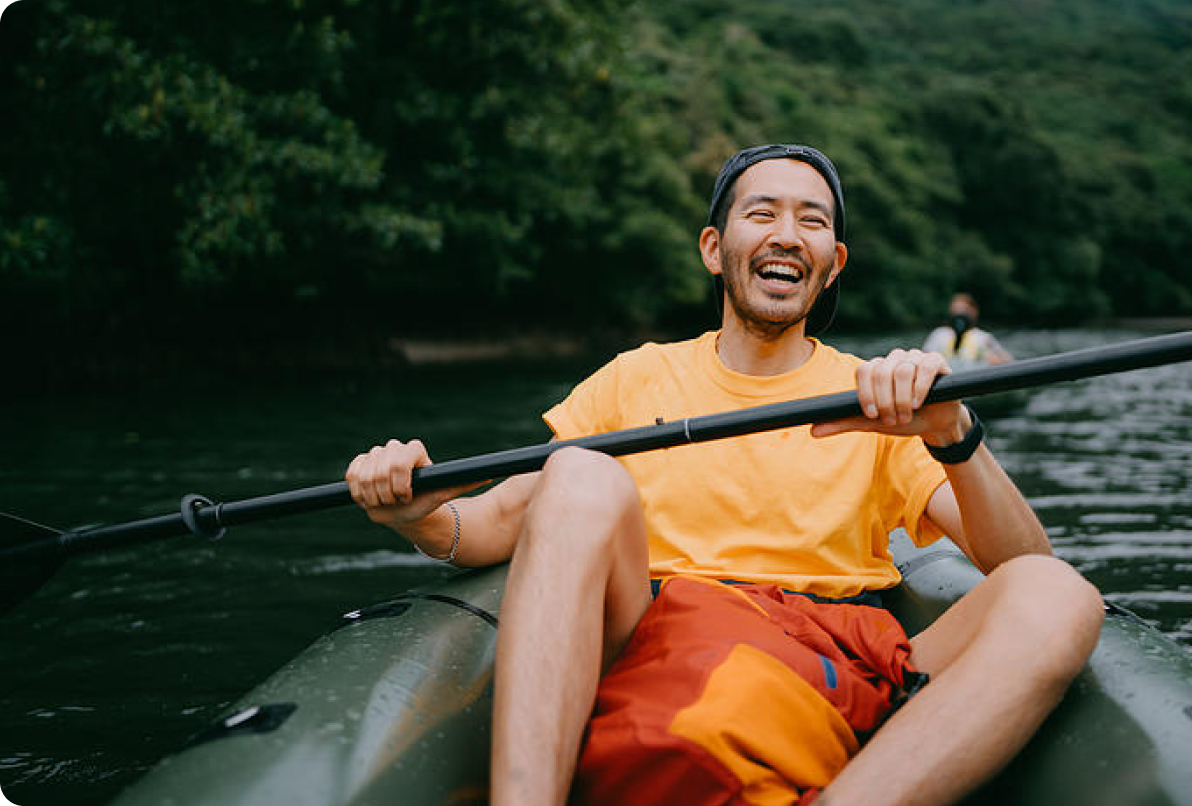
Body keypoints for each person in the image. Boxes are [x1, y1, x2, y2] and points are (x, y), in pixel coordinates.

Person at [346, 144, 1103, 806]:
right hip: (655, 631)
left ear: (833, 264)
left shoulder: (884, 400)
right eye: (763, 213)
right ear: (715, 247)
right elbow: (492, 521)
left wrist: (953, 431)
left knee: (1061, 593)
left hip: (830, 648)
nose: (786, 235)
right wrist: (415, 511)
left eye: (812, 221)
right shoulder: (635, 378)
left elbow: (1019, 566)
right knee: (579, 474)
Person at [922, 292, 1013, 365]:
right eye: (955, 310)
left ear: (974, 312)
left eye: (963, 310)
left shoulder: (983, 337)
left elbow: (1008, 361)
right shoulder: (939, 334)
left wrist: (992, 360)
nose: (959, 313)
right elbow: (924, 358)